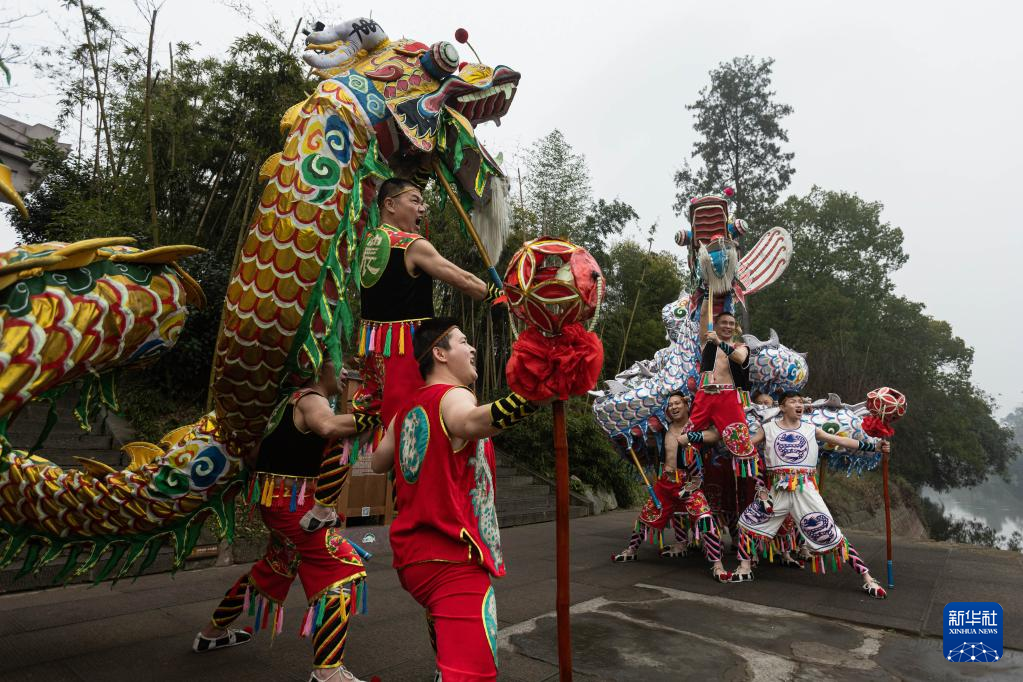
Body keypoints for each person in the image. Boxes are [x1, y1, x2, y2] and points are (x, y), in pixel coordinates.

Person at [371, 317, 542, 681]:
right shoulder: (455, 395)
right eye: (463, 342)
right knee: (474, 673)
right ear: (440, 353)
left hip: (413, 558)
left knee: (451, 659)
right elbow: (471, 422)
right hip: (451, 556)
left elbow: (378, 462)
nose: (473, 348)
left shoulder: (407, 408)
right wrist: (533, 396)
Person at [193, 359, 369, 682]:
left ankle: (212, 632)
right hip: (294, 508)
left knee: (275, 568)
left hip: (276, 504)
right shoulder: (310, 398)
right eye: (339, 363)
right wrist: (373, 415)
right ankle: (327, 671)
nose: (345, 372)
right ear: (320, 367)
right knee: (341, 567)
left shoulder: (284, 403)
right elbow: (328, 427)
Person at [353, 178, 502, 434]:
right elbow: (463, 280)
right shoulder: (410, 244)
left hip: (373, 346)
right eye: (415, 201)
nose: (422, 208)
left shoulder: (367, 241)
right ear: (389, 204)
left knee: (384, 417)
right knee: (416, 417)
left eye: (423, 202)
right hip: (407, 347)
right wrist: (498, 296)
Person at [727, 391, 889, 598]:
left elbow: (842, 441)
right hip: (778, 490)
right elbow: (747, 446)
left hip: (805, 490)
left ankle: (867, 578)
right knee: (748, 522)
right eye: (793, 401)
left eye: (801, 402)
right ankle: (744, 568)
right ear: (782, 407)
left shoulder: (811, 429)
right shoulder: (768, 428)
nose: (799, 405)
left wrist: (874, 446)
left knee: (829, 532)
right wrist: (735, 440)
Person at [612, 391, 731, 582]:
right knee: (646, 516)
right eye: (670, 404)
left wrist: (691, 436)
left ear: (686, 405)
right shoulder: (663, 427)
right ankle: (631, 550)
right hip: (665, 482)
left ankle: (717, 564)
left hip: (689, 483)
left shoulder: (696, 424)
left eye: (677, 403)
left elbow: (716, 434)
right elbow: (640, 438)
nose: (673, 407)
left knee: (705, 518)